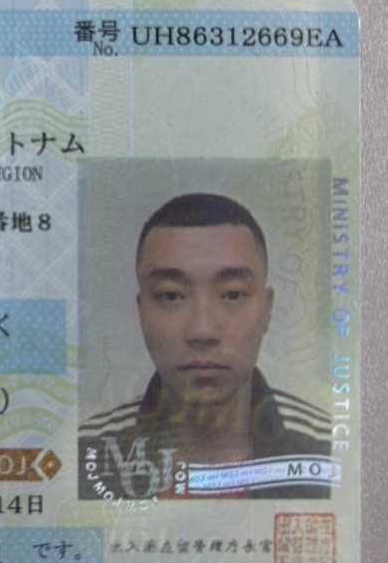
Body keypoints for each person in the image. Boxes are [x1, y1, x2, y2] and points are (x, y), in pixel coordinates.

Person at [79, 192, 334, 501]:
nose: (202, 330)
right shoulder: (84, 456)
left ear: (267, 311)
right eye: (171, 296)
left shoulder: (329, 451)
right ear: (141, 311)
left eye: (232, 294)